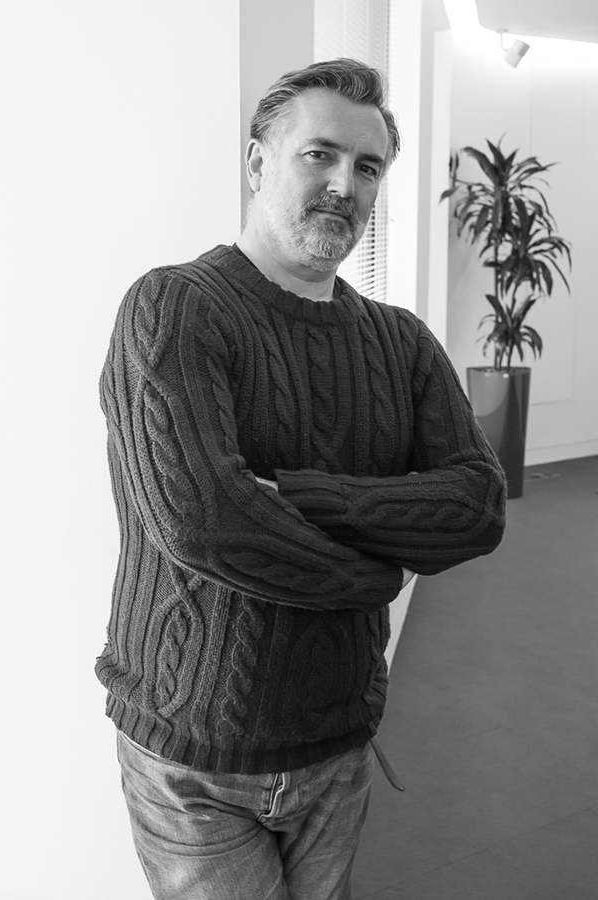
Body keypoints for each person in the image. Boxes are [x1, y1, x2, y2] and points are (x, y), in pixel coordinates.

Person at [97, 58, 506, 900]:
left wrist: (309, 496)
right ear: (258, 162)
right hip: (192, 757)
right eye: (319, 154)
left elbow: (478, 504)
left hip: (336, 741)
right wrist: (376, 577)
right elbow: (207, 521)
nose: (344, 186)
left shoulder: (402, 343)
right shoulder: (173, 309)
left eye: (367, 167)